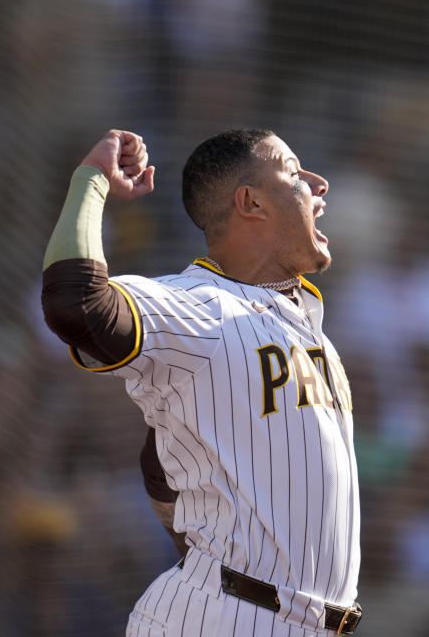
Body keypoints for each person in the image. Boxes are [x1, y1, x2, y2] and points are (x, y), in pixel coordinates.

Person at [41, 129, 363, 636]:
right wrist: (92, 181)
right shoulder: (202, 305)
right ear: (251, 202)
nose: (318, 184)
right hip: (228, 615)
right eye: (294, 171)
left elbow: (163, 459)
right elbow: (77, 304)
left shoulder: (303, 323)